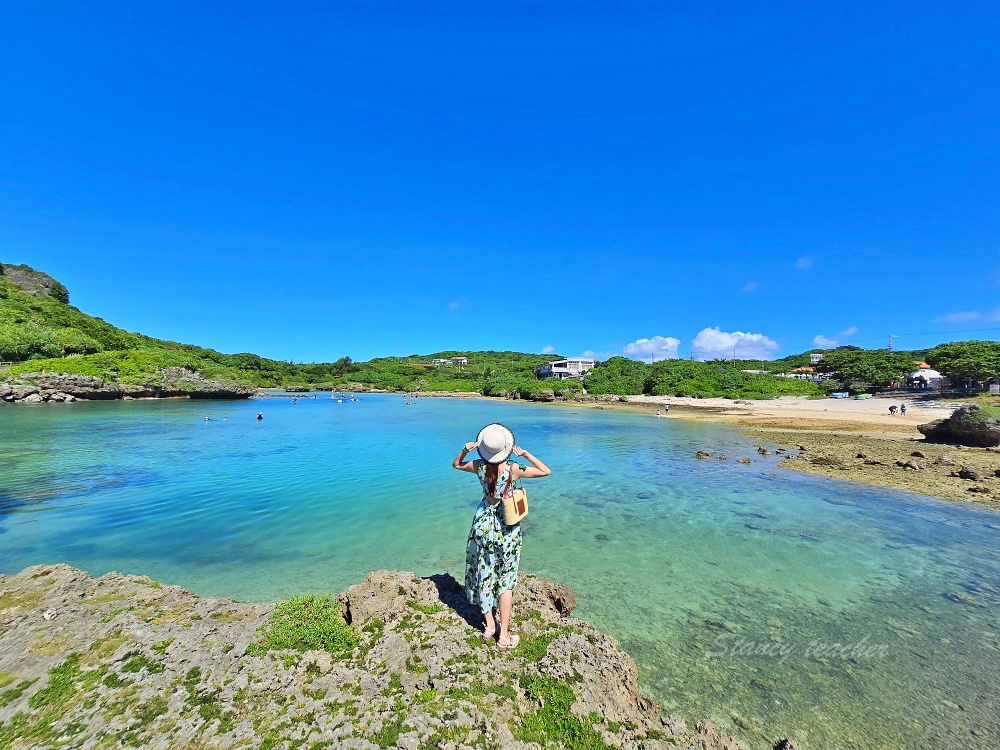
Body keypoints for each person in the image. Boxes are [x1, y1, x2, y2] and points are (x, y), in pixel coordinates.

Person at [453, 423, 551, 650]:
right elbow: (545, 471)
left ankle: (489, 625)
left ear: (484, 449)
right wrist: (526, 454)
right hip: (506, 526)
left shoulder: (478, 466)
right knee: (505, 580)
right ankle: (504, 635)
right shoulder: (514, 469)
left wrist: (465, 449)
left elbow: (456, 464)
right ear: (506, 448)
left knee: (483, 573)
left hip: (483, 523)